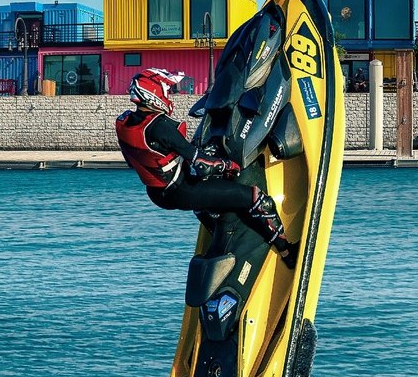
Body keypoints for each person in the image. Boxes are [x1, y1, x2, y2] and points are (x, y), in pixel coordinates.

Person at [115, 68, 298, 268]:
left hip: (158, 192)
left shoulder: (124, 122)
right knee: (255, 198)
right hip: (181, 190)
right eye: (167, 90)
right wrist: (227, 165)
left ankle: (221, 230)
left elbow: (133, 159)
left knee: (210, 192)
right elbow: (202, 163)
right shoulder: (160, 127)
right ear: (153, 94)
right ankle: (287, 252)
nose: (170, 94)